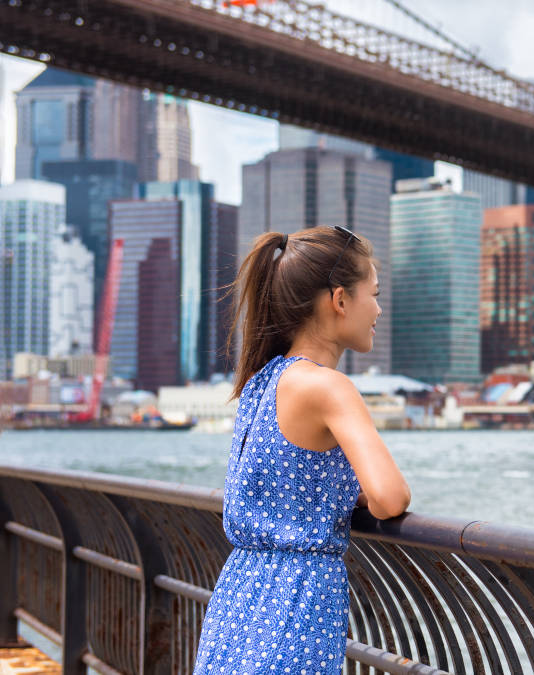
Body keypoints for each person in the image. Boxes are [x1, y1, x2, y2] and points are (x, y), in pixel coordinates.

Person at [193, 225, 411, 674]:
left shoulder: (262, 381)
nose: (379, 308)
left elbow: (286, 478)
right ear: (340, 300)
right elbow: (391, 498)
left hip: (239, 596)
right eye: (374, 293)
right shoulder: (328, 387)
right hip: (296, 604)